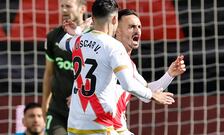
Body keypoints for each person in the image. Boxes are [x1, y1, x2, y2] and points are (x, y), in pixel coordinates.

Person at [57, 0, 177, 134]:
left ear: (93, 18)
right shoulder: (113, 46)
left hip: (75, 125)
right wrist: (152, 96)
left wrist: (80, 28)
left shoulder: (79, 40)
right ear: (114, 19)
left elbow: (62, 42)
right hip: (100, 125)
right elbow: (129, 85)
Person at [111, 9, 186, 134]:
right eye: (131, 27)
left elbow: (146, 93)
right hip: (105, 127)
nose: (137, 30)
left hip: (116, 127)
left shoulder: (129, 65)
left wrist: (169, 75)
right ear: (117, 31)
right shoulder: (109, 55)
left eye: (139, 27)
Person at [41, 0, 87, 135]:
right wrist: (45, 104)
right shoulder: (53, 36)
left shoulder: (92, 37)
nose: (64, 10)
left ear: (82, 9)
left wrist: (78, 93)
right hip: (57, 110)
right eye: (62, 6)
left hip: (84, 109)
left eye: (68, 6)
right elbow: (49, 74)